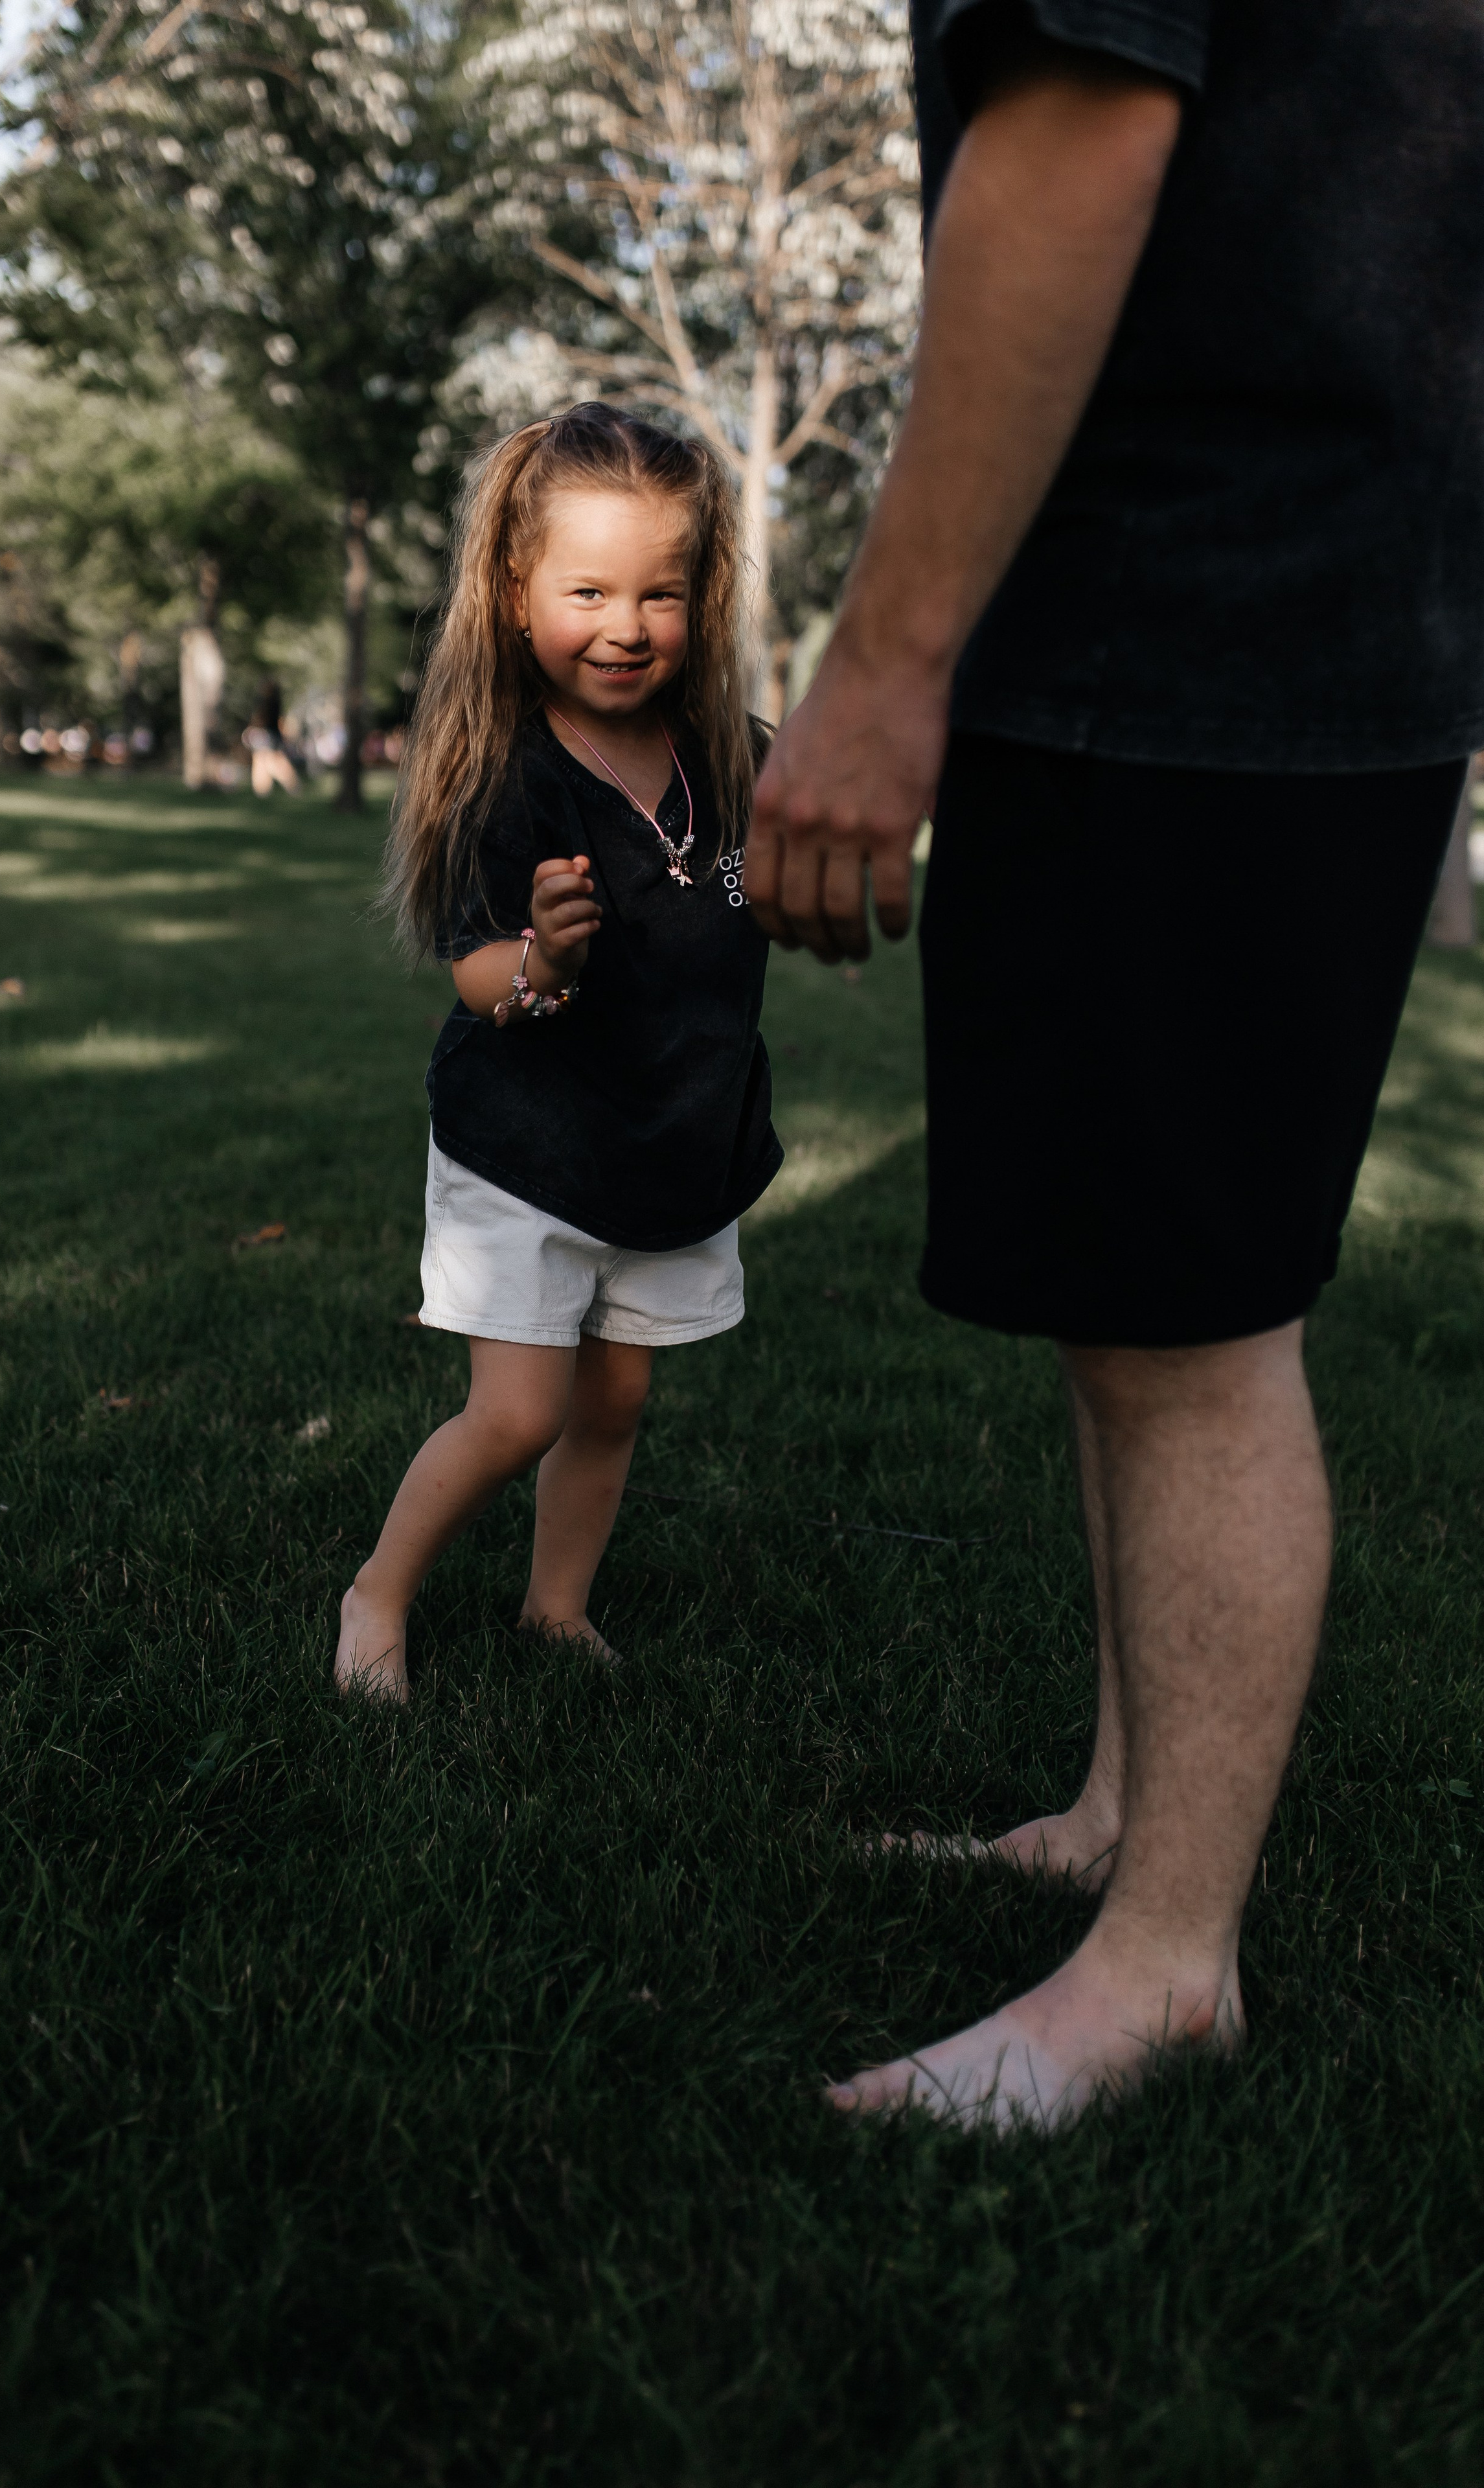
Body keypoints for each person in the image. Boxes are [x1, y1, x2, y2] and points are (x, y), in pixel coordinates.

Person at [746, 0, 1484, 2128]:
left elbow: (1078, 137)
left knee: (1191, 1329)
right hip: (1286, 599)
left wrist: (885, 663)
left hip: (1198, 610)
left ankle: (1168, 1968)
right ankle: (1112, 1820)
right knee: (1134, 1297)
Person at [336, 404, 781, 1702]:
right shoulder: (507, 773)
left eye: (660, 591)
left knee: (614, 1402)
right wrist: (546, 962)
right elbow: (475, 973)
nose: (625, 625)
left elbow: (775, 873)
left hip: (671, 1144)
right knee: (520, 1411)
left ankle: (555, 1608)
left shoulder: (727, 758)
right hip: (528, 1145)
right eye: (587, 590)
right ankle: (376, 1593)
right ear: (517, 590)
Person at [245, 677, 299, 797]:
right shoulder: (271, 702)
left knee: (270, 761)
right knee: (265, 761)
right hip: (269, 736)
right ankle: (263, 789)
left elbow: (263, 719)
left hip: (269, 736)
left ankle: (267, 789)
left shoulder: (270, 703)